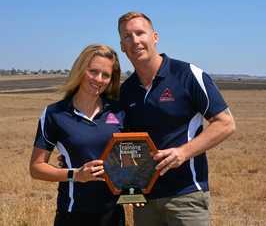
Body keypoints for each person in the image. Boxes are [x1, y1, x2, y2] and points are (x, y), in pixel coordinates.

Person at [118, 12, 236, 226]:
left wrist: (183, 153)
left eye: (140, 33)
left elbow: (225, 123)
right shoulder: (126, 91)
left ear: (155, 37)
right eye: (127, 36)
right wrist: (131, 189)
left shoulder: (188, 75)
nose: (135, 40)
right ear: (122, 46)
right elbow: (125, 143)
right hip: (145, 201)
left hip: (186, 196)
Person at [29, 44, 125, 226]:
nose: (99, 79)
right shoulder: (54, 114)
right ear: (81, 70)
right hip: (73, 214)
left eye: (106, 75)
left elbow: (133, 155)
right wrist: (76, 174)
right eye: (93, 71)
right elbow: (36, 168)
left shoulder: (119, 111)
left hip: (112, 214)